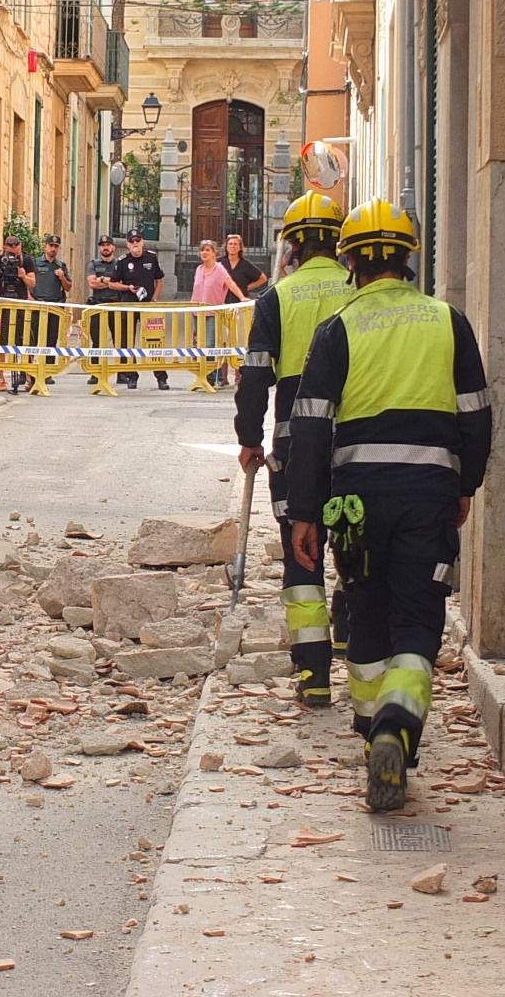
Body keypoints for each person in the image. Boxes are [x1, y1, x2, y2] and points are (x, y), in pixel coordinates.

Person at [286, 201, 492, 813]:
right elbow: (476, 415)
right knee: (417, 617)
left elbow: (311, 429)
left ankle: (375, 726)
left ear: (350, 261)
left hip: (355, 500)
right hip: (428, 493)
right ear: (410, 258)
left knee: (367, 610)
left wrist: (303, 513)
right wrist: (466, 486)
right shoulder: (448, 322)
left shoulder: (338, 329)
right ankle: (398, 727)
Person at [234, 193, 349, 707]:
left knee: (301, 548)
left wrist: (249, 437)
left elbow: (256, 373)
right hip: (353, 433)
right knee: (352, 535)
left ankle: (313, 673)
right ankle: (350, 631)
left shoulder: (277, 298)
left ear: (294, 244)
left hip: (294, 438)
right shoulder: (360, 291)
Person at [190, 240, 247, 389]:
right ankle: (202, 376)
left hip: (212, 312)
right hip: (197, 312)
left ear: (214, 253)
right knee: (198, 344)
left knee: (209, 344)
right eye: (202, 250)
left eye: (208, 250)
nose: (204, 253)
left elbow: (231, 284)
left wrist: (242, 297)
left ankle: (210, 377)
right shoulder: (199, 269)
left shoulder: (219, 269)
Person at [113, 231, 166, 390]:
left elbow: (160, 280)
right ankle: (131, 375)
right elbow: (112, 283)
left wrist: (154, 299)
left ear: (142, 242)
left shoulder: (151, 257)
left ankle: (161, 377)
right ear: (128, 244)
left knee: (155, 341)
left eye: (138, 240)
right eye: (132, 241)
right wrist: (127, 287)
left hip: (147, 306)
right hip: (129, 305)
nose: (135, 243)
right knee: (127, 342)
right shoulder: (123, 261)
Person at [0, 235, 36, 393]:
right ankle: (1, 378)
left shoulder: (26, 261)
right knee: (2, 342)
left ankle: (29, 377)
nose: (13, 248)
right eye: (10, 246)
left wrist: (23, 276)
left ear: (20, 246)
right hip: (4, 304)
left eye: (16, 245)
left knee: (26, 341)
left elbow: (33, 284)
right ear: (5, 247)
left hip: (21, 304)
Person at [219, 233, 267, 385]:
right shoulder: (220, 264)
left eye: (235, 244)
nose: (232, 247)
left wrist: (247, 287)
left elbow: (262, 278)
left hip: (240, 306)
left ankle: (238, 375)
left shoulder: (245, 265)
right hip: (223, 305)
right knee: (223, 342)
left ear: (240, 247)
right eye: (230, 244)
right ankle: (222, 377)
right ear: (226, 246)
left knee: (238, 341)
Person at [85, 234, 129, 386]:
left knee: (120, 340)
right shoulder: (93, 264)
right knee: (96, 340)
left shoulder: (120, 264)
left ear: (113, 247)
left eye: (108, 245)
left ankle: (122, 373)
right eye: (103, 245)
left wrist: (102, 279)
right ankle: (95, 373)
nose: (105, 247)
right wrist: (111, 282)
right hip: (98, 305)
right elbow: (92, 284)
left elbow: (123, 282)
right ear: (99, 248)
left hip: (115, 305)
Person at [30, 234, 71, 385]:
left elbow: (68, 287)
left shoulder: (61, 266)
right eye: (50, 246)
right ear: (45, 246)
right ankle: (27, 372)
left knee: (50, 340)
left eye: (55, 246)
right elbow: (29, 281)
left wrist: (62, 277)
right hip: (38, 305)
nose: (53, 249)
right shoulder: (35, 263)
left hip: (55, 307)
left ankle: (47, 372)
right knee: (32, 339)